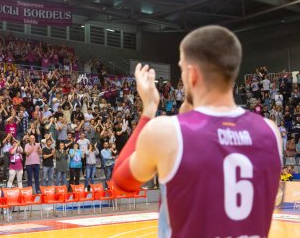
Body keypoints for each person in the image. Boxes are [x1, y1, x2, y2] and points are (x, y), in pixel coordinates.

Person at [111, 26, 282, 237]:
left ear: (191, 74)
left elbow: (121, 182)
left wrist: (148, 109)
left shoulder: (166, 132)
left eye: (182, 68)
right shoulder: (271, 132)